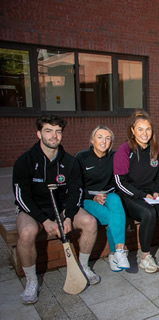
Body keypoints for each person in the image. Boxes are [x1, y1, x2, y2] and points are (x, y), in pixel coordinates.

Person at [13, 115, 99, 304]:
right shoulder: (25, 161)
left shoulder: (70, 162)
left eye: (58, 131)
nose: (54, 136)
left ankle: (83, 267)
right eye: (48, 131)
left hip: (61, 209)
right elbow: (21, 197)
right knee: (27, 233)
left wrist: (67, 217)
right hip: (33, 211)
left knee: (90, 222)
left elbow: (76, 192)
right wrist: (44, 220)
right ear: (39, 133)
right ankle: (32, 281)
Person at [114, 111, 159, 273]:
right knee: (149, 213)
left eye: (147, 129)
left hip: (152, 195)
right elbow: (120, 182)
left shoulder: (156, 150)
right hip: (131, 195)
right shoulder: (124, 150)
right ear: (132, 131)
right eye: (140, 129)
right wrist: (142, 195)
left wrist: (157, 192)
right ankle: (145, 257)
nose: (144, 133)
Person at [76, 125, 130, 272]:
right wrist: (92, 197)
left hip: (108, 194)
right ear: (92, 140)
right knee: (109, 217)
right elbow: (75, 186)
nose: (103, 141)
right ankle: (113, 252)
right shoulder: (81, 158)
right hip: (87, 198)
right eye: (99, 137)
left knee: (115, 201)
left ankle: (118, 253)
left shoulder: (114, 157)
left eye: (107, 138)